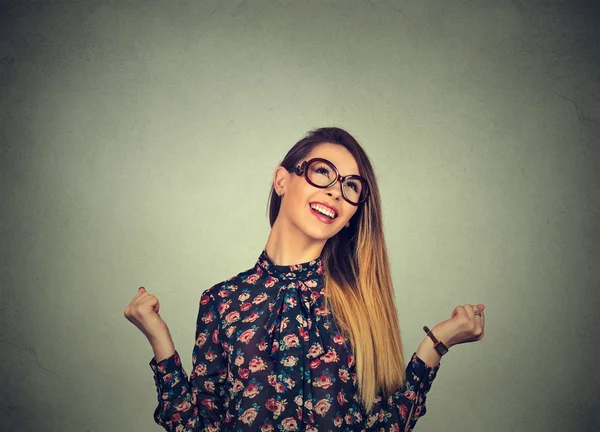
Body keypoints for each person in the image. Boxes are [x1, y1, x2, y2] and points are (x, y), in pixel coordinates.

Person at [124, 127, 486, 432]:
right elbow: (199, 426)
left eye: (351, 187)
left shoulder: (360, 304)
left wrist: (437, 344)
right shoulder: (221, 301)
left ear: (351, 217)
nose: (334, 191)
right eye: (323, 172)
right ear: (283, 180)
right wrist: (159, 337)